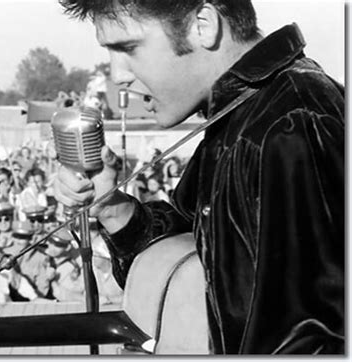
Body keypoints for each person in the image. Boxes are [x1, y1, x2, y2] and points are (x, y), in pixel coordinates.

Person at [55, 0, 344, 354]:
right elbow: (183, 266)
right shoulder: (243, 111)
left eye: (128, 48)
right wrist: (113, 209)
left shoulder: (290, 125)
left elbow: (314, 344)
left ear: (203, 24)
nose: (118, 75)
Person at [3, 220, 55, 299]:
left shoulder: (40, 257)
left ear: (30, 238)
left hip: (31, 299)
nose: (19, 241)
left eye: (23, 237)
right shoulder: (4, 253)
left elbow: (43, 285)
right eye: (16, 236)